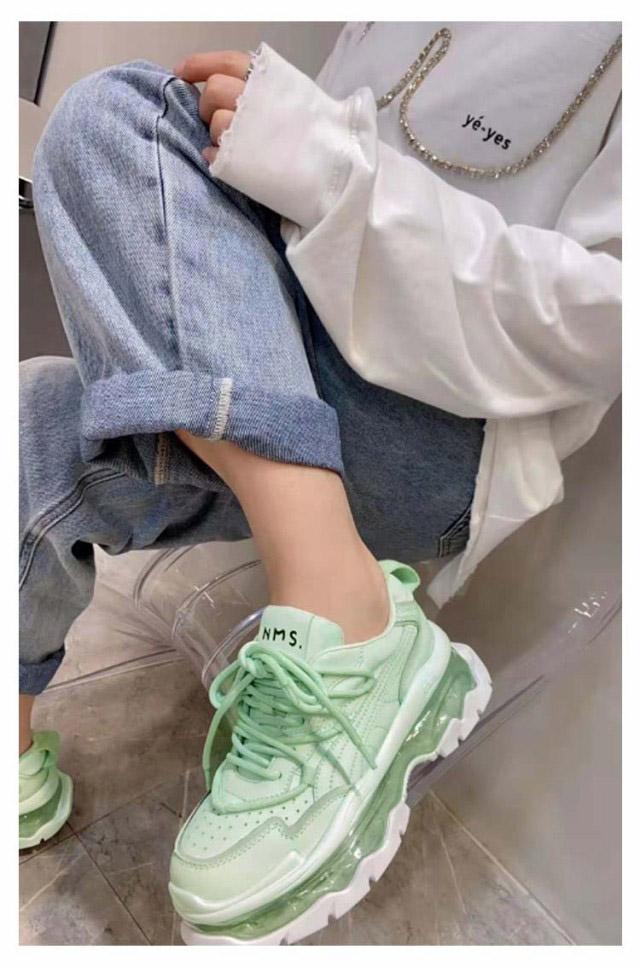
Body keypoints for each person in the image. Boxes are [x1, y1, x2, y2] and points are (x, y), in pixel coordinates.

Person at [19, 22, 621, 945]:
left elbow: (607, 319)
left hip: (443, 434)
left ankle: (352, 622)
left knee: (114, 116)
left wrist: (328, 166)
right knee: (34, 423)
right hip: (301, 364)